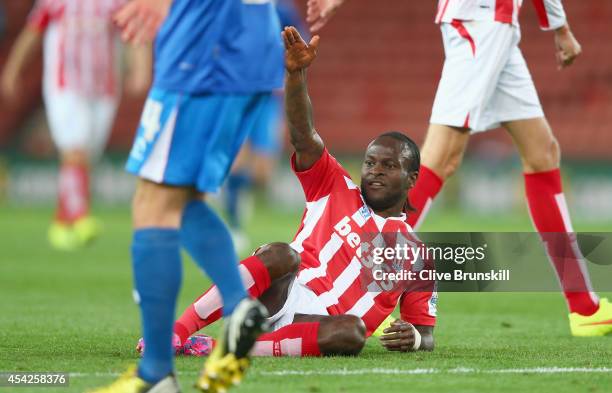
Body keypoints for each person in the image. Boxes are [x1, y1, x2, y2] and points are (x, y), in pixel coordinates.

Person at [306, 0, 612, 337]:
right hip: (480, 20)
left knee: (542, 152)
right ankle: (359, 291)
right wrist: (560, 26)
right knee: (440, 157)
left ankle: (585, 308)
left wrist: (559, 25)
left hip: (497, 23)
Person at [143, 27, 436, 359]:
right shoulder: (335, 186)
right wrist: (295, 76)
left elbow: (425, 333)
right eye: (370, 163)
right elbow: (303, 135)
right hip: (279, 294)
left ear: (411, 179)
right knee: (283, 254)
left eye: (388, 165)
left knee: (352, 332)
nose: (376, 171)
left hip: (321, 327)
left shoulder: (418, 257)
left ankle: (225, 349)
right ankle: (174, 332)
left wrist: (413, 337)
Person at [88, 0, 284, 393]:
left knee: (152, 201)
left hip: (206, 43)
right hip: (249, 43)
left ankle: (157, 371)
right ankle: (236, 304)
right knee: (181, 199)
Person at [1, 0, 151, 251]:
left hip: (103, 88)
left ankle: (62, 223)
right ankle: (81, 217)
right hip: (64, 85)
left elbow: (133, 30)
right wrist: (13, 71)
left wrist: (140, 69)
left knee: (84, 157)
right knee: (75, 150)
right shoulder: (56, 2)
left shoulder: (113, 3)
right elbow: (32, 32)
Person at [224, 0, 309, 254]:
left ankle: (238, 192)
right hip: (237, 95)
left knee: (263, 173)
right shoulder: (231, 8)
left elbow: (298, 42)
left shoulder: (281, 10)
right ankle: (234, 225)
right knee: (238, 160)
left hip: (269, 98)